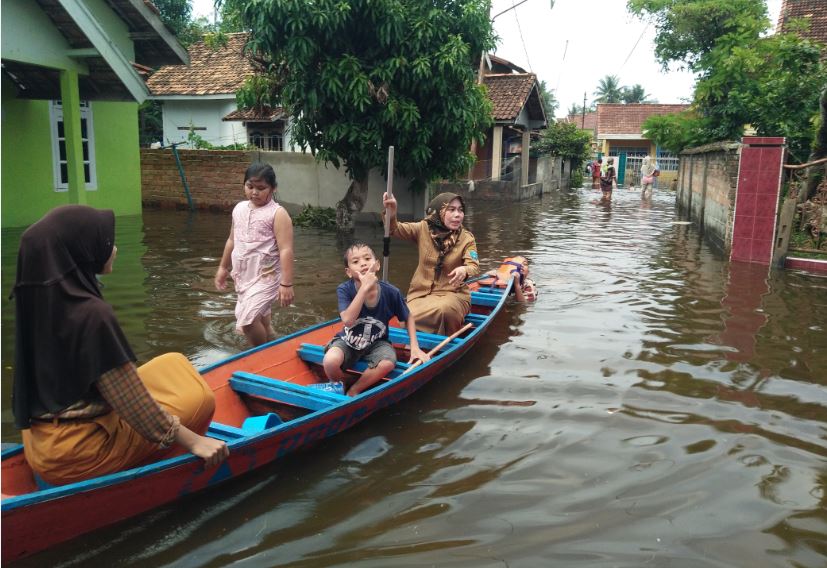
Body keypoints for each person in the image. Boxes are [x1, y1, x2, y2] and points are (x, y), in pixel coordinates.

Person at [12, 205, 228, 486]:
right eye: (104, 243)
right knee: (201, 399)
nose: (113, 249)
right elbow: (132, 401)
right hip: (80, 453)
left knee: (173, 362)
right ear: (81, 253)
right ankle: (161, 465)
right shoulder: (91, 314)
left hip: (41, 443)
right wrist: (195, 441)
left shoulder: (39, 304)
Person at [323, 243, 430, 396]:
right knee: (329, 361)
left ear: (377, 265)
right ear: (348, 272)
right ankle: (344, 382)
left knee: (387, 363)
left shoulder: (391, 292)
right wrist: (364, 289)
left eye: (367, 258)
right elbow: (348, 320)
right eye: (356, 261)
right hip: (348, 340)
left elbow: (408, 317)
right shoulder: (344, 289)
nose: (363, 263)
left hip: (378, 343)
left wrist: (414, 346)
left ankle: (355, 389)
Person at [215, 163, 295, 347]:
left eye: (261, 188)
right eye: (250, 187)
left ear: (273, 188)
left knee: (248, 322)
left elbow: (286, 250)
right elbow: (232, 240)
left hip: (267, 276)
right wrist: (222, 267)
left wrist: (286, 283)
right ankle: (272, 338)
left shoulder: (277, 214)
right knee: (260, 319)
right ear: (244, 185)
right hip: (243, 274)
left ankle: (260, 352)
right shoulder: (239, 209)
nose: (255, 192)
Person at [383, 192, 480, 335]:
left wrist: (464, 270)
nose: (458, 215)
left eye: (460, 210)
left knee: (445, 310)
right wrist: (392, 213)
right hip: (421, 293)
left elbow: (474, 266)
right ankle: (415, 342)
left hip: (453, 293)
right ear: (438, 212)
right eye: (451, 210)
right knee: (405, 316)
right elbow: (394, 229)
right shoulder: (423, 228)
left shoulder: (467, 239)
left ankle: (445, 342)